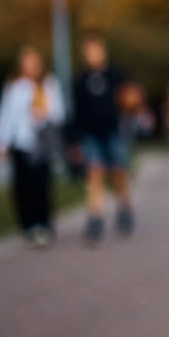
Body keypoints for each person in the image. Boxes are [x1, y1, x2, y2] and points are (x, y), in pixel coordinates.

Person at [0, 46, 65, 248]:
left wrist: (44, 114)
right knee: (22, 187)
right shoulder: (15, 86)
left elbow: (59, 113)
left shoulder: (49, 84)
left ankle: (43, 224)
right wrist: (0, 141)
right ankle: (28, 225)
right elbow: (6, 115)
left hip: (42, 143)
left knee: (41, 185)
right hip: (21, 143)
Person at [70, 32, 136, 245]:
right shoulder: (81, 81)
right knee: (95, 174)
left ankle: (124, 208)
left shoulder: (116, 75)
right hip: (91, 134)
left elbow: (130, 98)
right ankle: (95, 217)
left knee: (118, 172)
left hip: (114, 131)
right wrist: (74, 140)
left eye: (96, 49)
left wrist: (132, 103)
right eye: (89, 50)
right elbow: (76, 113)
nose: (93, 54)